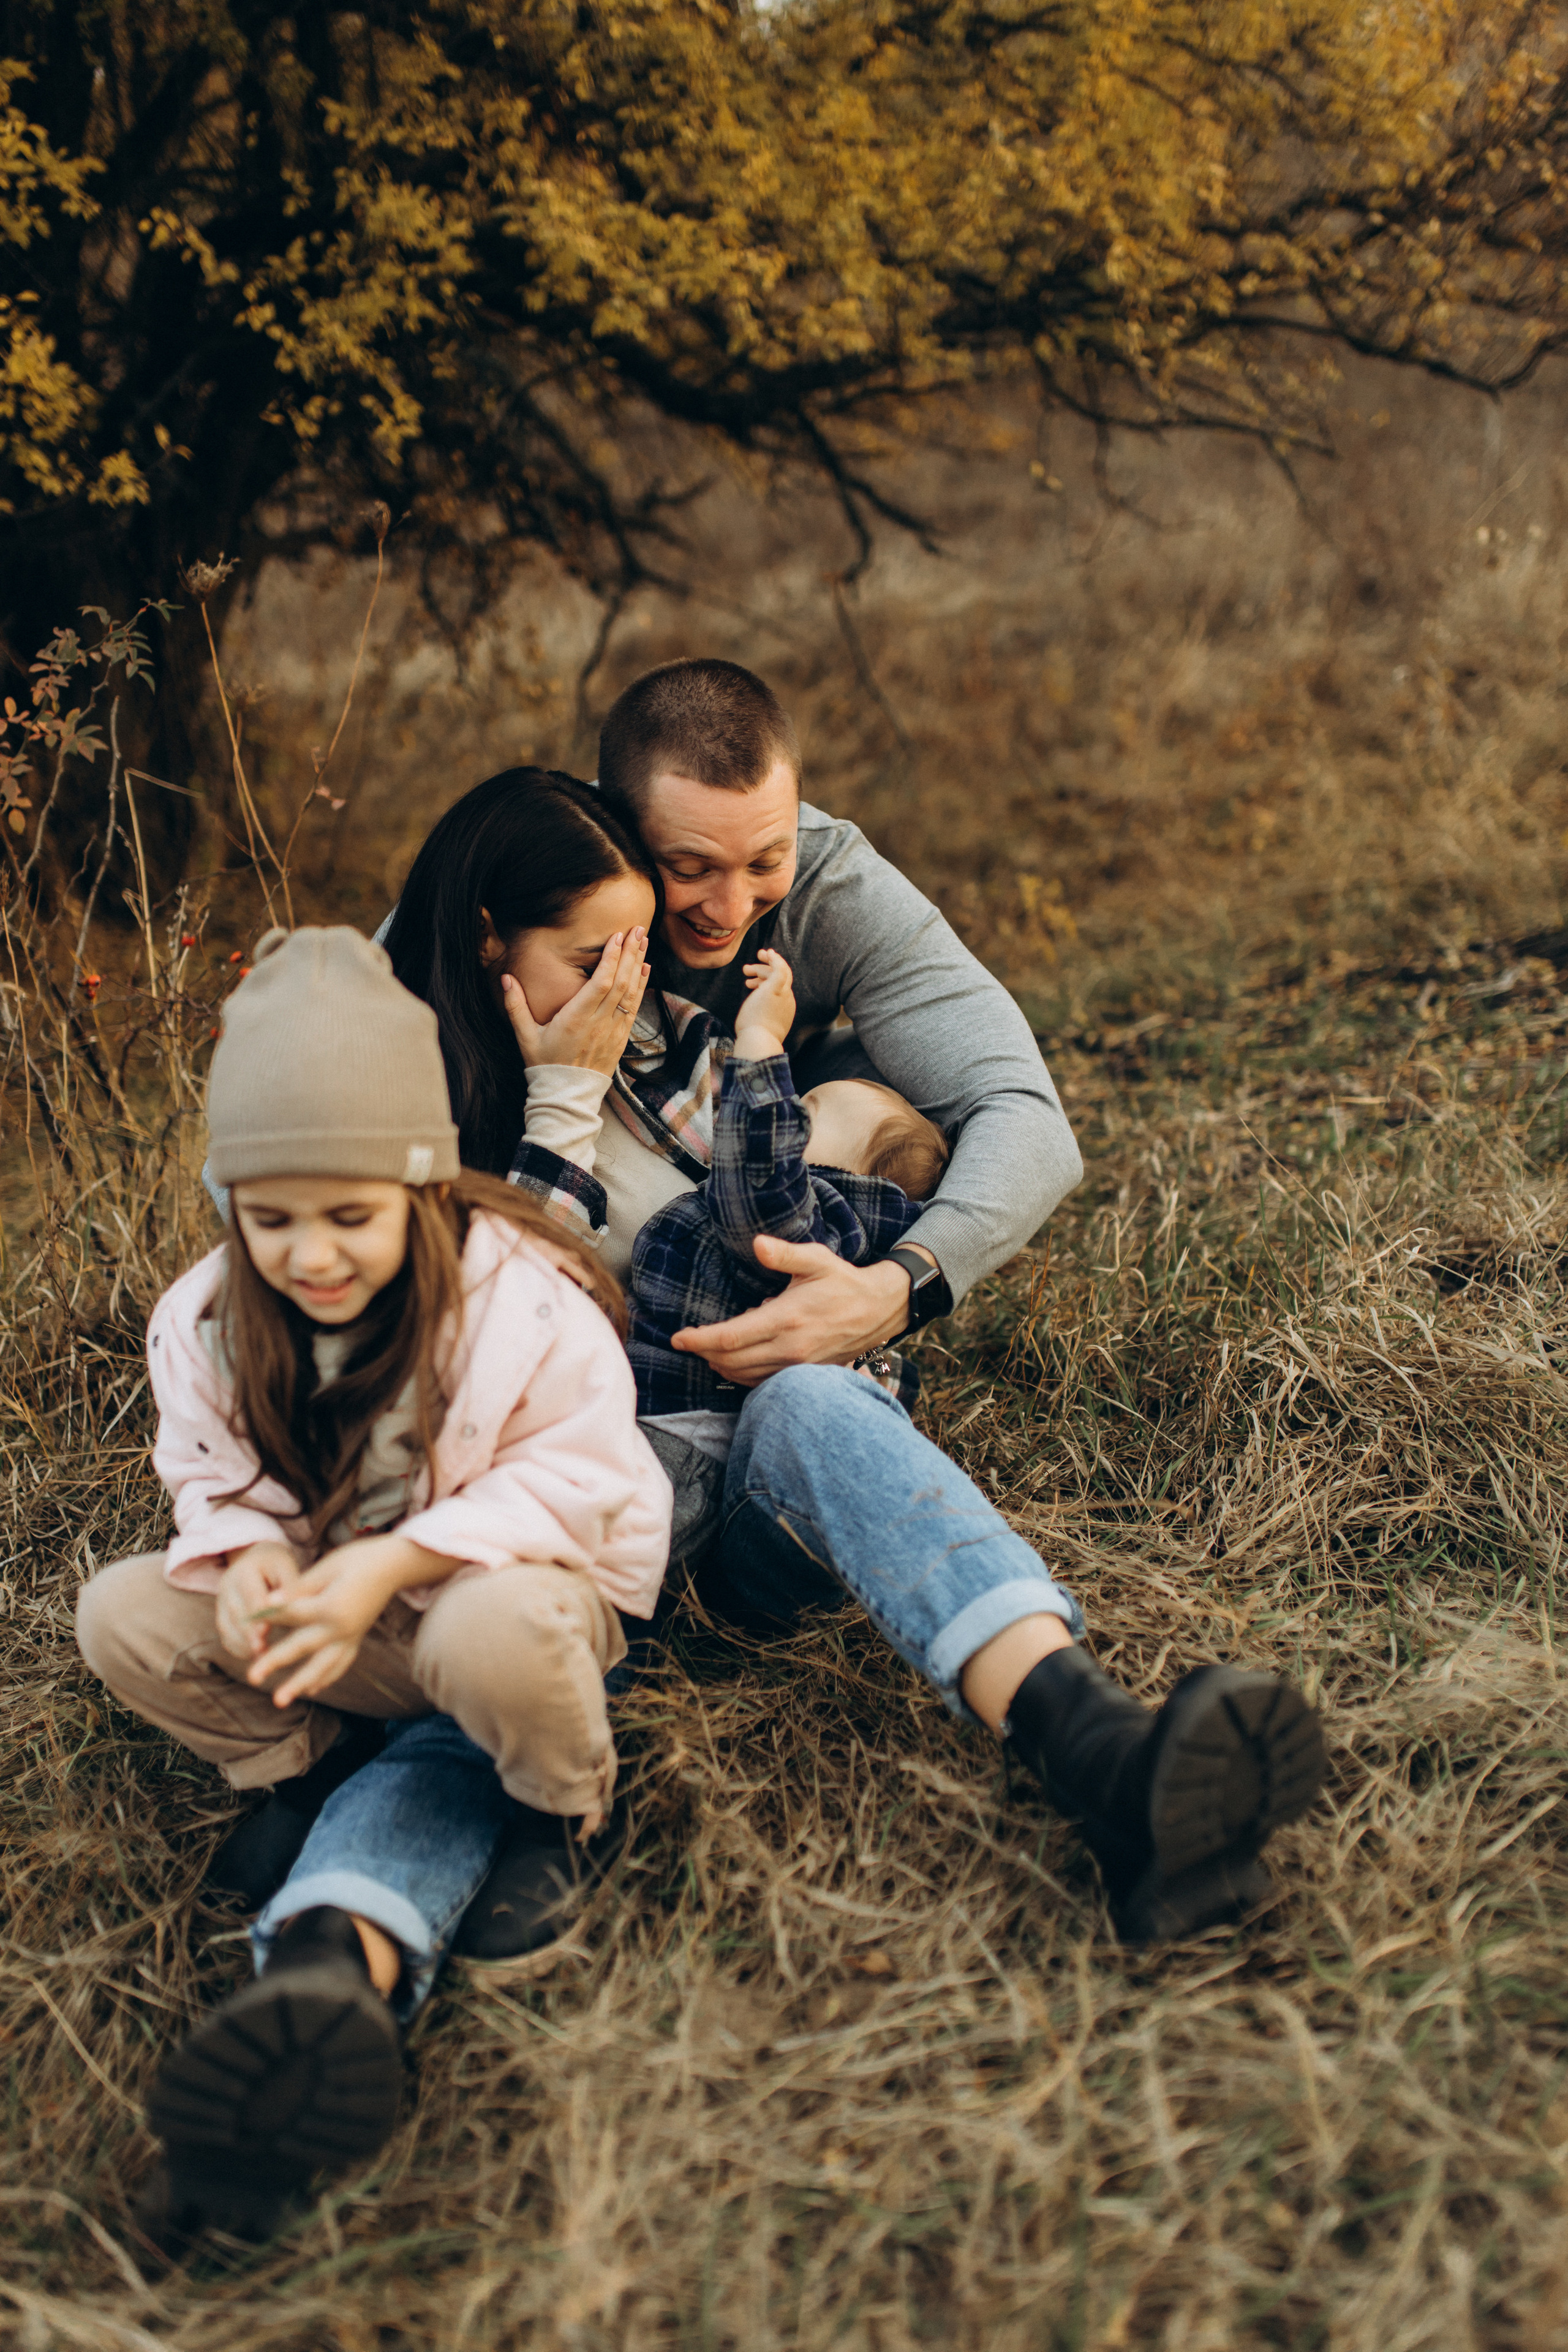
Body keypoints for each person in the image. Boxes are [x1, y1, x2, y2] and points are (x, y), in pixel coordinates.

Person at [384, 676, 1328, 1956]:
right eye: (686, 871)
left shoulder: (815, 893)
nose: (728, 905)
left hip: (750, 1477)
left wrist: (886, 1290)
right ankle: (393, 1883)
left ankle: (1098, 1753)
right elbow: (305, 1198)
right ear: (605, 833)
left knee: (815, 1399)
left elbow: (1023, 1118)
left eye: (761, 859)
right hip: (574, 1502)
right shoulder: (501, 927)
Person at [76, 926, 671, 2242]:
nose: (313, 1255)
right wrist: (248, 1564)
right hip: (352, 1629)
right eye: (270, 1220)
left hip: (526, 1603)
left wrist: (394, 1564)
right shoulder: (209, 1319)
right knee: (122, 1612)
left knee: (488, 1629)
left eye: (351, 1218)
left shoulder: (519, 1297)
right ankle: (303, 1763)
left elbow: (595, 1484)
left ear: (424, 1189)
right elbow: (208, 1473)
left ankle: (555, 1810)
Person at [627, 946, 949, 1535]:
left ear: (854, 1181)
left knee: (608, 1545)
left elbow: (759, 1174)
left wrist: (758, 1040)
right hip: (656, 1421)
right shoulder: (815, 1213)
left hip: (681, 1445)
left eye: (808, 1112)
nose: (790, 1110)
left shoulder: (810, 1225)